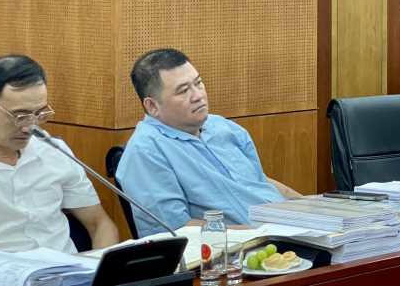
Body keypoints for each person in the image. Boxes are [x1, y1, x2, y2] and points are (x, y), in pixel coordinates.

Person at [116, 48, 302, 237]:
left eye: (198, 83)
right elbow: (176, 229)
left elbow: (259, 181)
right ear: (152, 106)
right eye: (183, 91)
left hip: (286, 232)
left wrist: (313, 209)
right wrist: (262, 232)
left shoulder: (222, 127)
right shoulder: (146, 151)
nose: (198, 95)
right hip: (240, 247)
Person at [0, 55, 118, 254]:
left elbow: (100, 225)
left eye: (39, 114)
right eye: (20, 115)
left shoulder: (55, 151)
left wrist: (100, 266)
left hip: (66, 267)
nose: (30, 127)